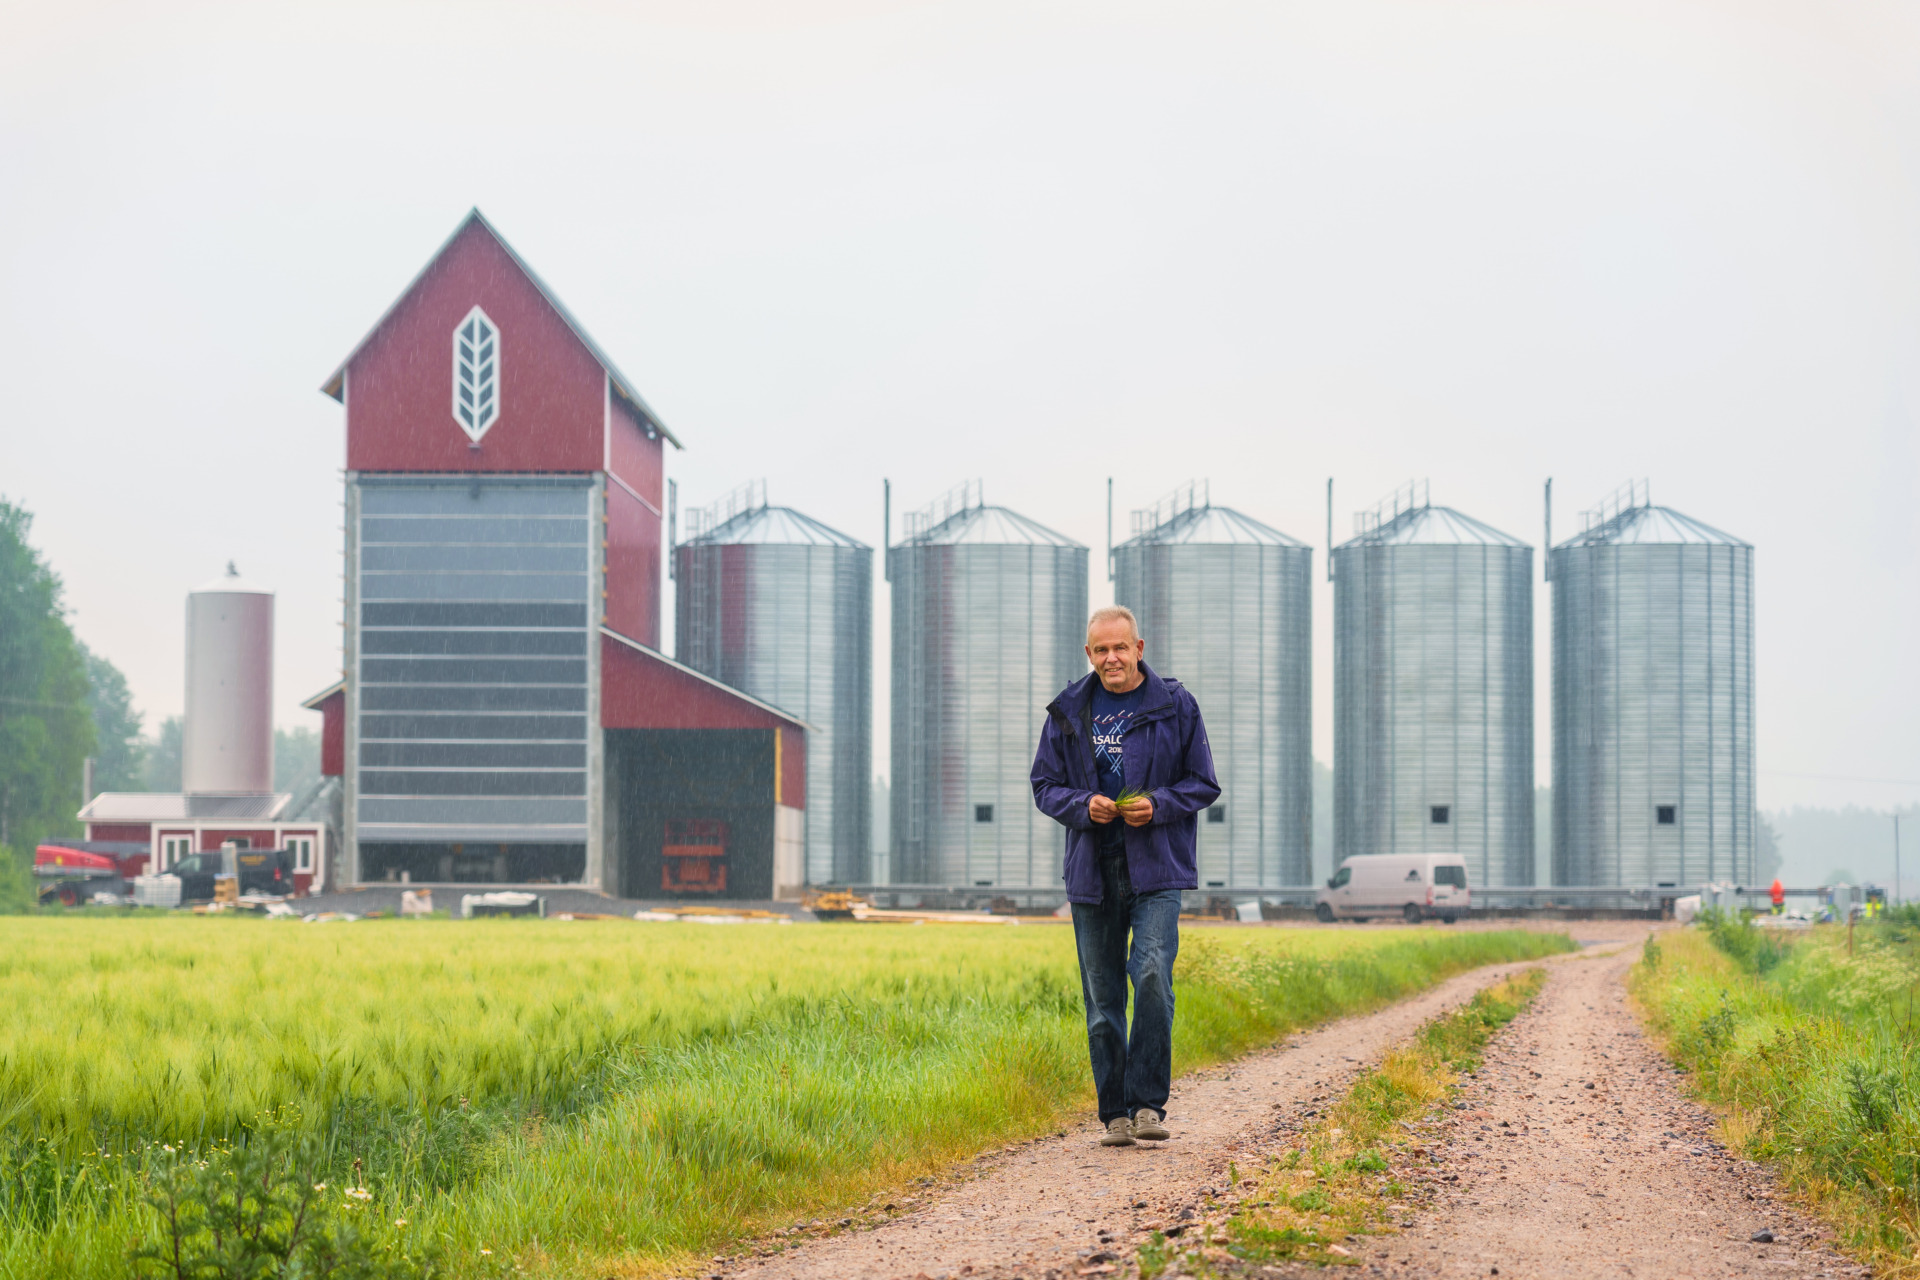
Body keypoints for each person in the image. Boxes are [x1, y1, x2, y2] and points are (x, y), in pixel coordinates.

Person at [1031, 605, 1220, 1148]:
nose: (1111, 658)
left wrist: (1158, 805)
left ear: (1140, 648)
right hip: (1093, 869)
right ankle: (1114, 1111)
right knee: (1103, 996)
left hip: (1157, 865)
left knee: (1153, 975)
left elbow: (1203, 783)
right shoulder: (1068, 710)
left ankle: (1147, 1105)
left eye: (1120, 647)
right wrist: (1080, 805)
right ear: (1088, 655)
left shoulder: (1175, 705)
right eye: (1100, 650)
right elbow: (1044, 785)